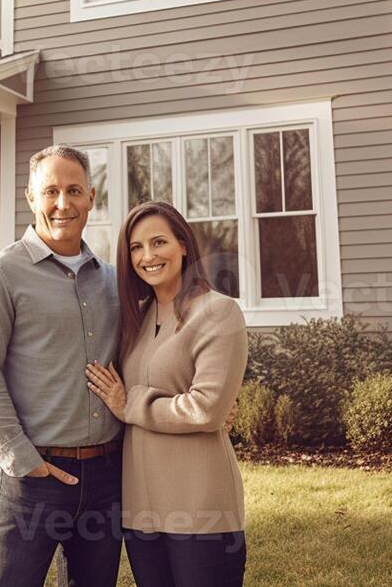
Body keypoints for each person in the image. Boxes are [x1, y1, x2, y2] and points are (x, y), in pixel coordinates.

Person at [0, 144, 124, 587]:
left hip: (107, 477)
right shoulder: (1, 274)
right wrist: (22, 459)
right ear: (30, 197)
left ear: (91, 196)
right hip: (32, 479)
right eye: (50, 191)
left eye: (74, 190)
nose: (63, 204)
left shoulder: (113, 280)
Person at [85, 200, 248, 587]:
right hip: (141, 511)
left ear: (183, 246)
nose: (148, 256)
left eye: (159, 242)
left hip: (200, 507)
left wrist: (130, 404)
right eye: (136, 248)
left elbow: (206, 409)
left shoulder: (218, 312)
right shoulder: (135, 318)